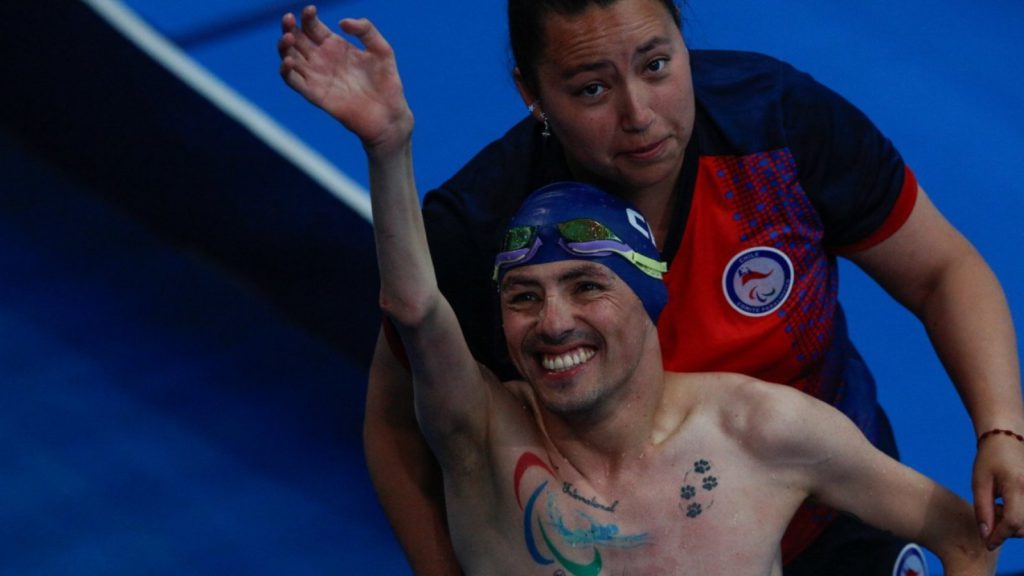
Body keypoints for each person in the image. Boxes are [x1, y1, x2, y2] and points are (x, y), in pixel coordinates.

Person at [276, 1, 1024, 573]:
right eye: (592, 88)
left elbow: (943, 271)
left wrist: (1001, 430)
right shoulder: (482, 230)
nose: (639, 115)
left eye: (658, 65)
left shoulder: (777, 126)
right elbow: (398, 422)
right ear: (530, 94)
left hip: (836, 509)